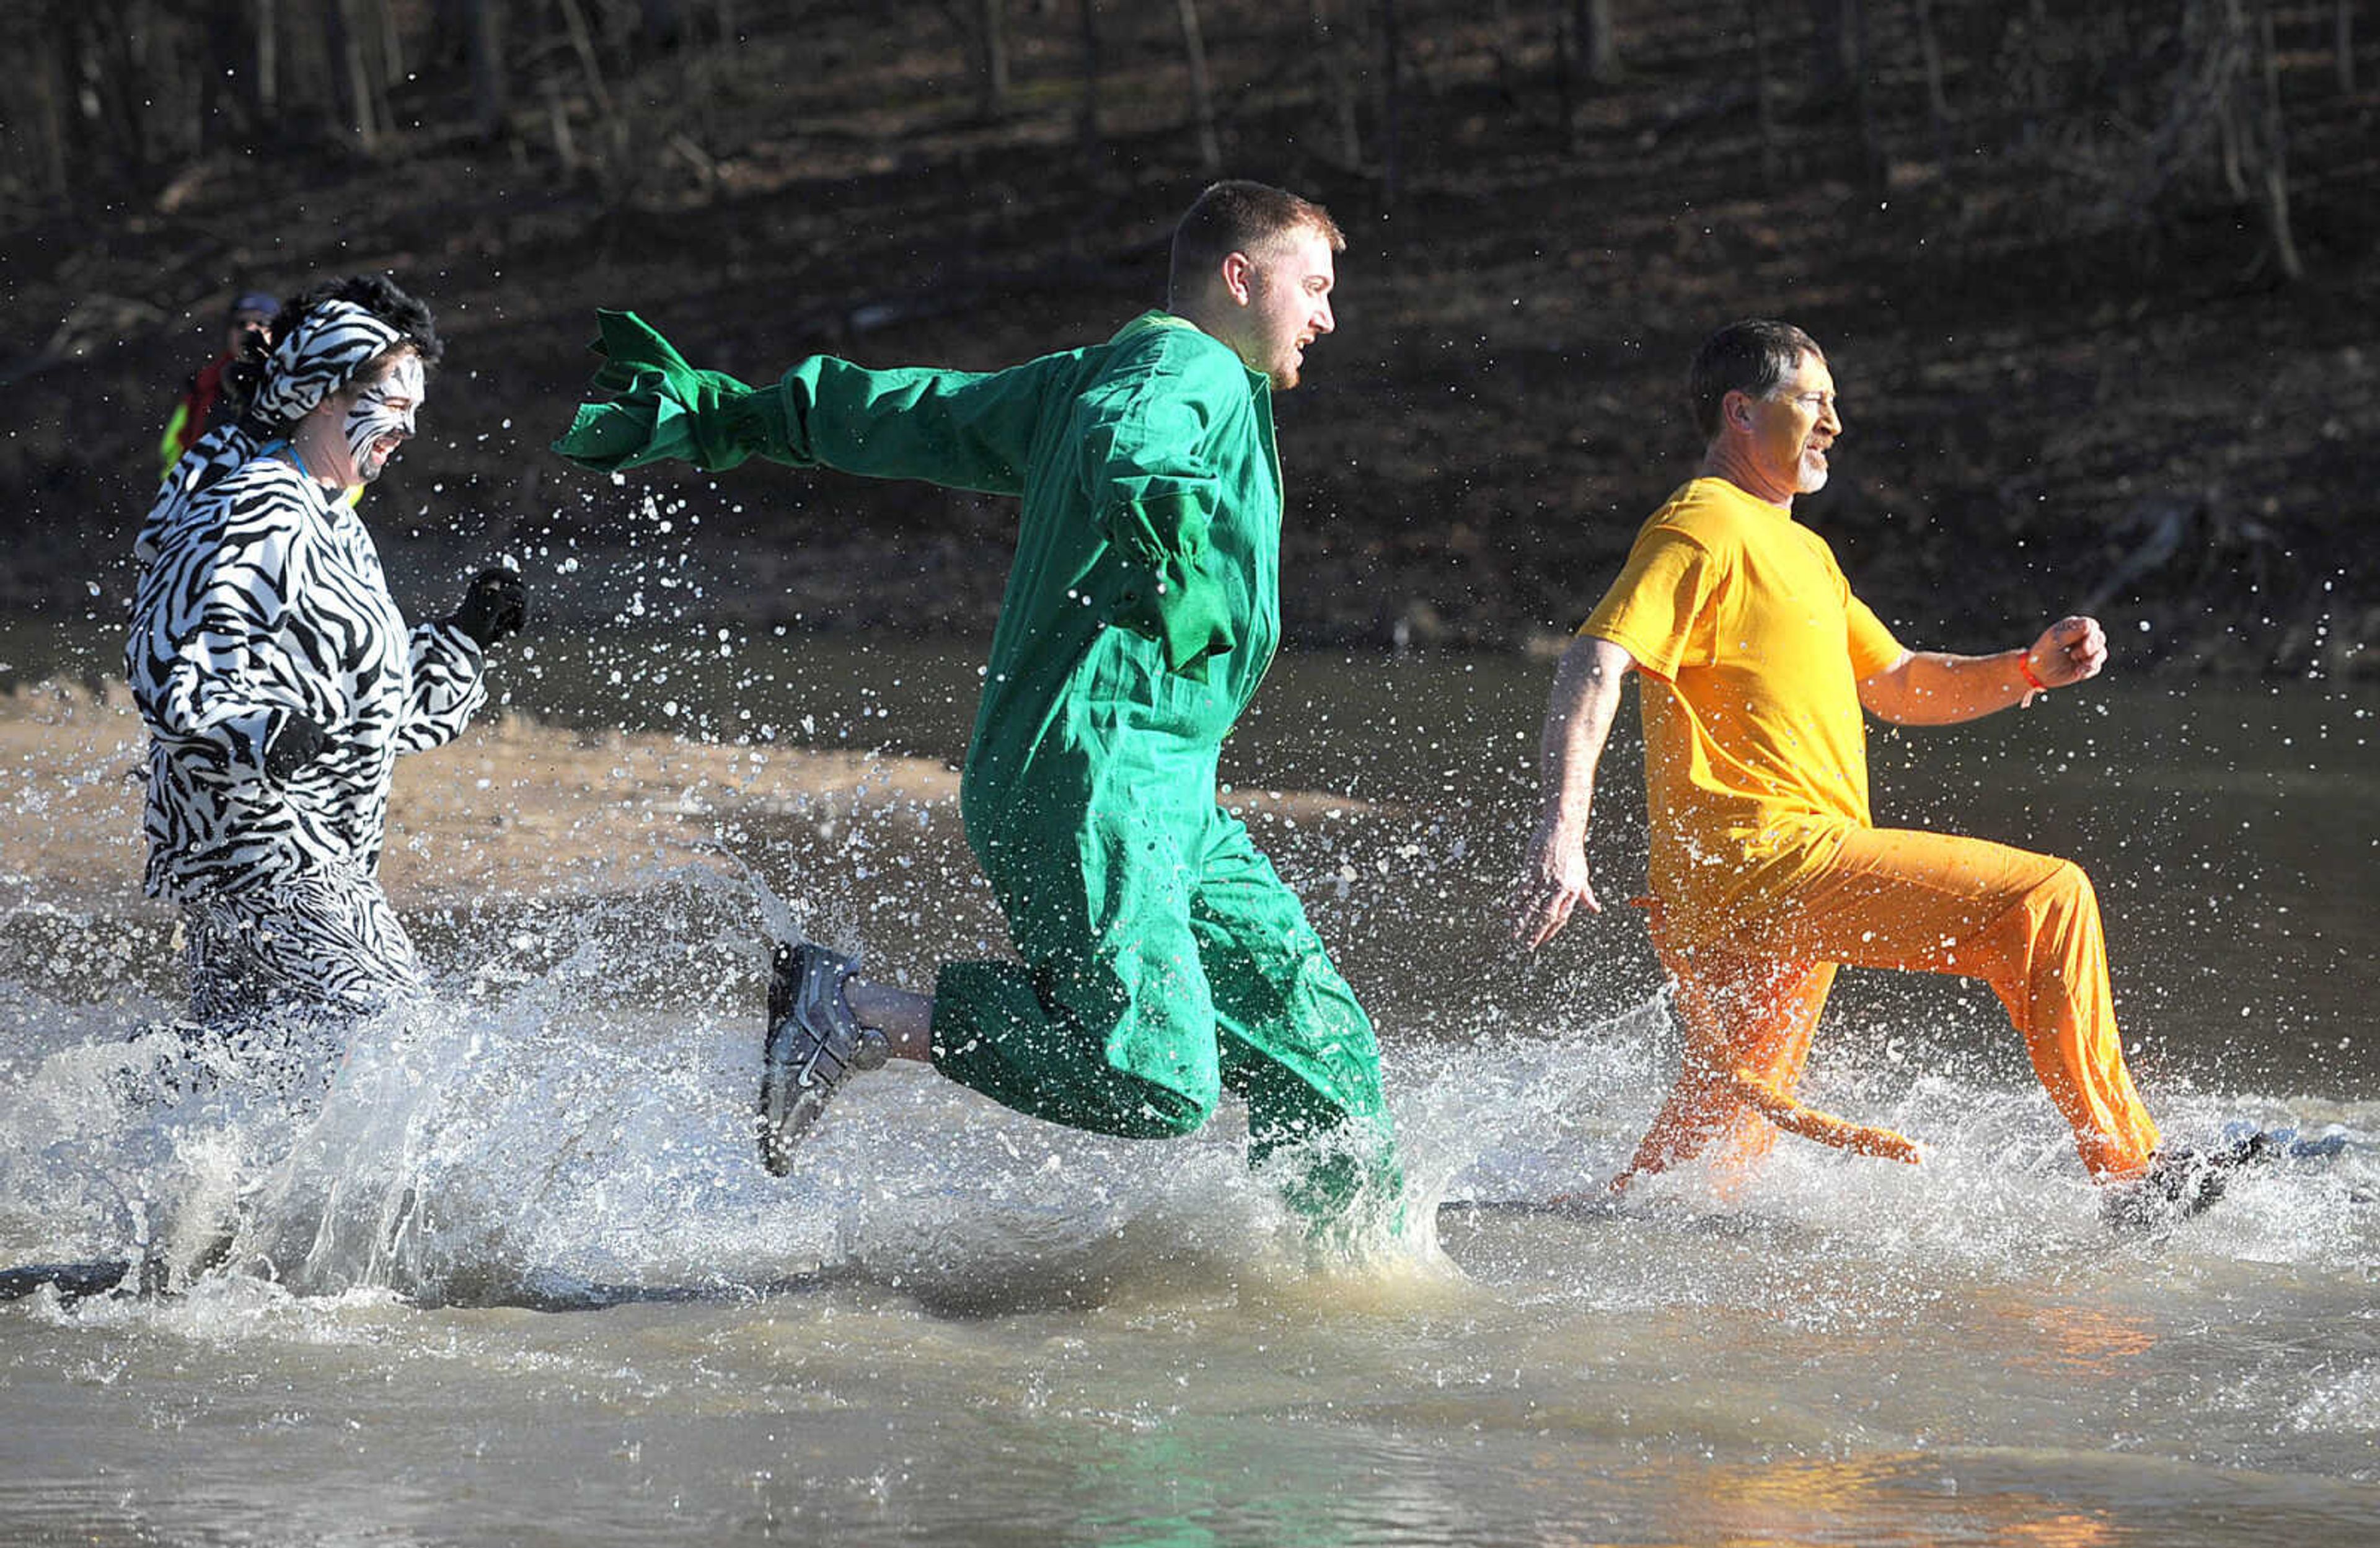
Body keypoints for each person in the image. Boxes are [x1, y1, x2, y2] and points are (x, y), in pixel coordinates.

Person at [553, 180, 1399, 1231]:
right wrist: (1162, 532)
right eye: (1312, 287)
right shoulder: (1188, 369)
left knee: (1328, 1064)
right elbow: (1131, 442)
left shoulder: (1106, 376)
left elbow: (919, 414)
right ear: (1241, 278)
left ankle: (1335, 1283)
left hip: (1171, 792)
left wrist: (735, 416)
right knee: (1155, 1078)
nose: (1327, 317)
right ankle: (857, 1015)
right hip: (1090, 781)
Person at [1511, 318, 2255, 1226]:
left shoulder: (1804, 552)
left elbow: (1899, 683)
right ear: (1740, 413)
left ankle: (1552, 1227)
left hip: (1756, 887)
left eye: (1832, 404)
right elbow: (1596, 659)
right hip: (1769, 863)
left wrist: (2026, 669)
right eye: (1811, 402)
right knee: (2045, 903)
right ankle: (2135, 1173)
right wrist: (1563, 831)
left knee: (1707, 1163)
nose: (1832, 423)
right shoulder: (1702, 525)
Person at [126, 275, 527, 1099]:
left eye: (417, 405)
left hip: (279, 851)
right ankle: (127, 1087)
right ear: (319, 394)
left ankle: (148, 1149)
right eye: (393, 402)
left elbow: (367, 718)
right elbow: (166, 656)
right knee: (401, 1033)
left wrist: (463, 639)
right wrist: (253, 730)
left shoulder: (330, 517)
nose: (411, 425)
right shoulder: (260, 502)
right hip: (271, 845)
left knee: (241, 1079)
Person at [158, 290, 280, 478]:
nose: (249, 329)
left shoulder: (294, 385)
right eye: (241, 324)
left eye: (261, 323)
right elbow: (176, 451)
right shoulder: (202, 387)